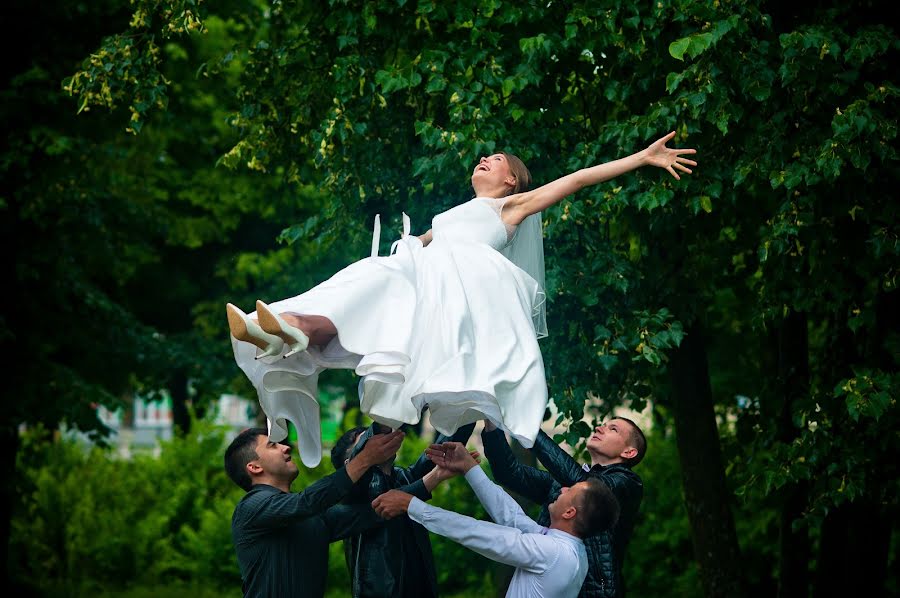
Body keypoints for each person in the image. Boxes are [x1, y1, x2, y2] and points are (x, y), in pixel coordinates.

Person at [226, 133, 697, 466]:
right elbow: (422, 246)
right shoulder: (452, 214)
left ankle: (293, 333)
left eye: (496, 161)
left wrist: (641, 158)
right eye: (482, 159)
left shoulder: (508, 209)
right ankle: (289, 331)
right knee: (358, 285)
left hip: (452, 293)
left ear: (513, 182)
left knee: (370, 291)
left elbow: (575, 180)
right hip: (418, 275)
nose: (484, 162)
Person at [372, 441, 620, 598]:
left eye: (570, 492)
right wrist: (469, 467)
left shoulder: (552, 552)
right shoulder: (565, 548)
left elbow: (479, 533)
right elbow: (511, 516)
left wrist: (411, 505)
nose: (563, 490)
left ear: (570, 513)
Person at [224, 426, 410, 598]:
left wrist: (432, 477)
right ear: (254, 467)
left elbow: (381, 508)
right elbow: (307, 501)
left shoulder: (309, 517)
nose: (285, 447)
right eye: (273, 446)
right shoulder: (250, 507)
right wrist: (364, 459)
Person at [482, 417, 646, 598]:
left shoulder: (628, 484)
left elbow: (588, 486)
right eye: (603, 425)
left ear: (629, 452)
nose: (599, 428)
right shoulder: (568, 485)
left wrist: (527, 423)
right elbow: (508, 473)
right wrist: (492, 426)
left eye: (613, 429)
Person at [331, 422, 475, 598]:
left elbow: (442, 451)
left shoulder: (402, 478)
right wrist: (386, 415)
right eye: (365, 438)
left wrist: (467, 407)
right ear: (350, 463)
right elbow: (392, 498)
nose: (379, 440)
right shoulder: (354, 493)